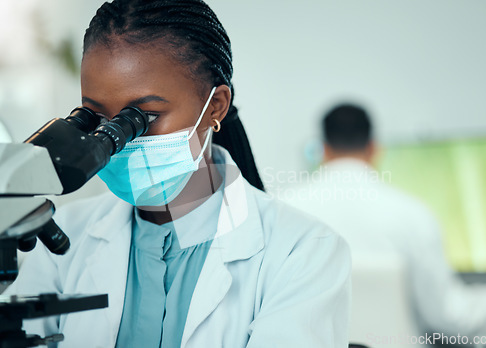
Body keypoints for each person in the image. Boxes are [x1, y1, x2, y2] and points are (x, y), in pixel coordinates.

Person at [4, 1, 351, 347]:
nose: (117, 141)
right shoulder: (62, 237)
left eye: (145, 117)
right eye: (96, 117)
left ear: (215, 107)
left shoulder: (302, 251)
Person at [284, 103, 486, 339]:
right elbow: (448, 315)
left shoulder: (282, 209)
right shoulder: (412, 213)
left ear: (323, 150)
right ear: (374, 149)